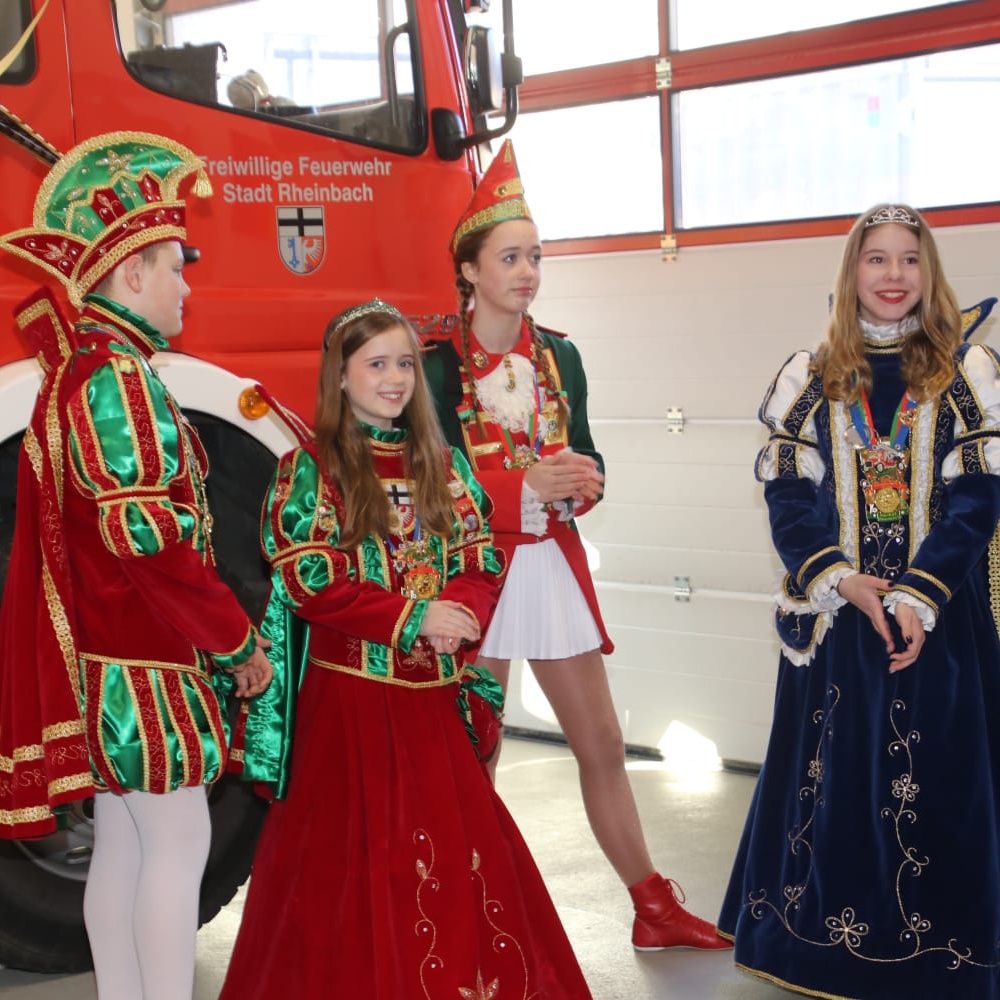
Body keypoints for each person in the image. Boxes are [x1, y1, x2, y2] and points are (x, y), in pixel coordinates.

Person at [220, 299, 593, 999]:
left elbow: (481, 554)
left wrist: (460, 616)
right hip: (350, 709)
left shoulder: (441, 465)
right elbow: (309, 578)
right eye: (376, 364)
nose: (394, 379)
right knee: (359, 869)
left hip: (429, 705)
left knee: (457, 858)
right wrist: (414, 617)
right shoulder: (313, 469)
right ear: (340, 376)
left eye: (404, 365)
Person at [422, 140, 730, 952]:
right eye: (510, 258)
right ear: (469, 271)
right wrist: (522, 488)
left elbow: (588, 461)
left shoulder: (561, 355)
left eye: (536, 258)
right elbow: (430, 484)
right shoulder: (430, 365)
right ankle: (463, 907)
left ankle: (653, 907)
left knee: (599, 743)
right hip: (475, 573)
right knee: (473, 749)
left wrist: (582, 482)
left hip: (548, 567)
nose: (527, 272)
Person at [0, 131, 272, 1000]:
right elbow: (150, 539)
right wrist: (236, 640)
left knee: (124, 843)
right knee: (178, 848)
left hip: (113, 660)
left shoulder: (83, 372)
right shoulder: (116, 380)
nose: (187, 284)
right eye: (175, 266)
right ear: (129, 275)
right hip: (145, 666)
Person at [718, 204, 1000, 999]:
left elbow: (978, 498)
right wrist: (837, 576)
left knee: (939, 781)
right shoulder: (810, 374)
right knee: (832, 778)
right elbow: (788, 495)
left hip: (936, 622)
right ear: (852, 274)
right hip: (841, 618)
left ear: (930, 272)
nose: (893, 275)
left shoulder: (967, 372)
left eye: (909, 260)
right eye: (876, 260)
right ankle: (819, 949)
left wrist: (920, 593)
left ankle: (947, 956)